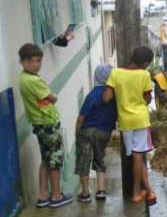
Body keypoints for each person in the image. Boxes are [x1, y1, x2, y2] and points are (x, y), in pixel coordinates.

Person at [18, 43, 73, 208]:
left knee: (46, 160)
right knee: (55, 161)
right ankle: (56, 196)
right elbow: (52, 98)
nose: (36, 64)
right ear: (23, 62)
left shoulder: (23, 78)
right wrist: (52, 96)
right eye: (32, 61)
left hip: (39, 124)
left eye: (38, 61)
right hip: (48, 124)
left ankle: (43, 195)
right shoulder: (33, 80)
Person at [103, 46, 157, 205]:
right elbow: (147, 100)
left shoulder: (115, 73)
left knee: (136, 157)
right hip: (140, 120)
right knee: (139, 156)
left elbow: (106, 98)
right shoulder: (144, 75)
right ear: (146, 62)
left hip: (125, 122)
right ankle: (139, 192)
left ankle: (146, 191)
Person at [74, 64, 117, 203]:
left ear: (97, 76)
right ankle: (101, 191)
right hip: (103, 132)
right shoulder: (113, 94)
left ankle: (85, 194)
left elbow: (81, 117)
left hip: (86, 131)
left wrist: (77, 132)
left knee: (84, 161)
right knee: (99, 159)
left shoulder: (92, 94)